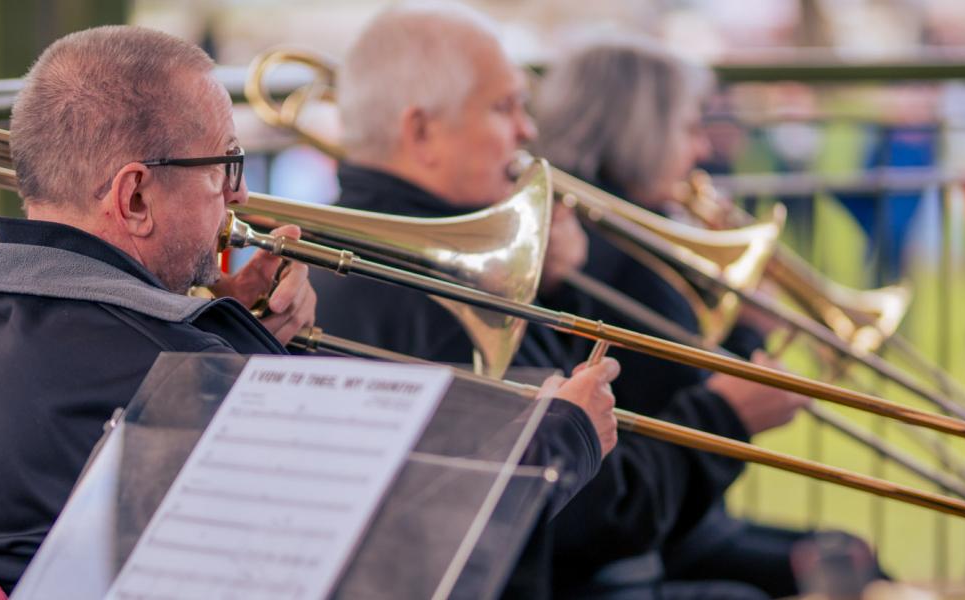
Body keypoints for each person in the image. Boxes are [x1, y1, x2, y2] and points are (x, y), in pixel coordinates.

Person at [0, 25, 618, 594]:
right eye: (223, 166)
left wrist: (233, 327)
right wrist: (563, 439)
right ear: (133, 198)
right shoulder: (170, 373)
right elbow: (407, 553)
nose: (239, 196)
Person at [313, 4, 802, 598]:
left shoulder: (362, 252)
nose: (527, 131)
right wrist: (725, 416)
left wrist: (552, 290)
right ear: (421, 133)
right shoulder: (433, 292)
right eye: (504, 107)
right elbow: (588, 514)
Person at [534, 36, 879, 599]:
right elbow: (666, 465)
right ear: (640, 132)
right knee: (850, 572)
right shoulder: (637, 265)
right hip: (640, 551)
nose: (698, 150)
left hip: (649, 535)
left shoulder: (588, 239)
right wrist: (746, 339)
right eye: (687, 129)